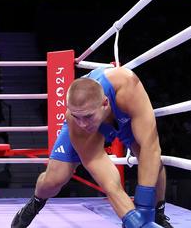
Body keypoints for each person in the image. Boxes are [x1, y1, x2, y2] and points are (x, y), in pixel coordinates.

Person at [12, 67, 172, 228]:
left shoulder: (128, 87)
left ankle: (158, 214)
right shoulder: (77, 122)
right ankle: (36, 202)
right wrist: (134, 220)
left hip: (123, 115)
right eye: (76, 116)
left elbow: (150, 148)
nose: (82, 123)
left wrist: (143, 212)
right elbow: (110, 184)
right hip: (96, 122)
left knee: (152, 160)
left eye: (87, 117)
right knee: (54, 179)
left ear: (105, 103)